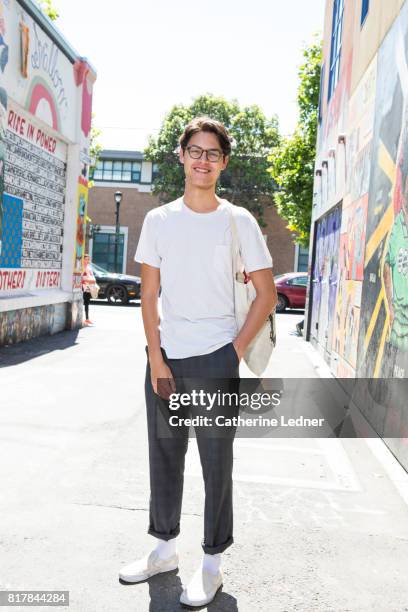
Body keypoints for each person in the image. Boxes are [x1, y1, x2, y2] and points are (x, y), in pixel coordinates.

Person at [119, 117, 277, 606]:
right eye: (195, 150)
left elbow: (266, 294)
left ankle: (211, 564)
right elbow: (149, 296)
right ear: (182, 155)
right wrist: (155, 358)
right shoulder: (159, 220)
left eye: (212, 153)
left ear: (223, 163)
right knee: (164, 458)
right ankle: (164, 549)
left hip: (215, 359)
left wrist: (230, 351)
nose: (202, 160)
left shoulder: (239, 221)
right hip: (166, 358)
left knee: (215, 464)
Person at [81, 253, 96, 325]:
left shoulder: (89, 267)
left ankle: (87, 319)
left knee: (87, 303)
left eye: (88, 259)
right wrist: (86, 281)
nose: (87, 261)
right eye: (85, 259)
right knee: (82, 302)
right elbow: (80, 277)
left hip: (89, 287)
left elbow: (92, 277)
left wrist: (93, 282)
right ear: (82, 260)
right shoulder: (81, 267)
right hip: (83, 287)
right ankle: (82, 319)